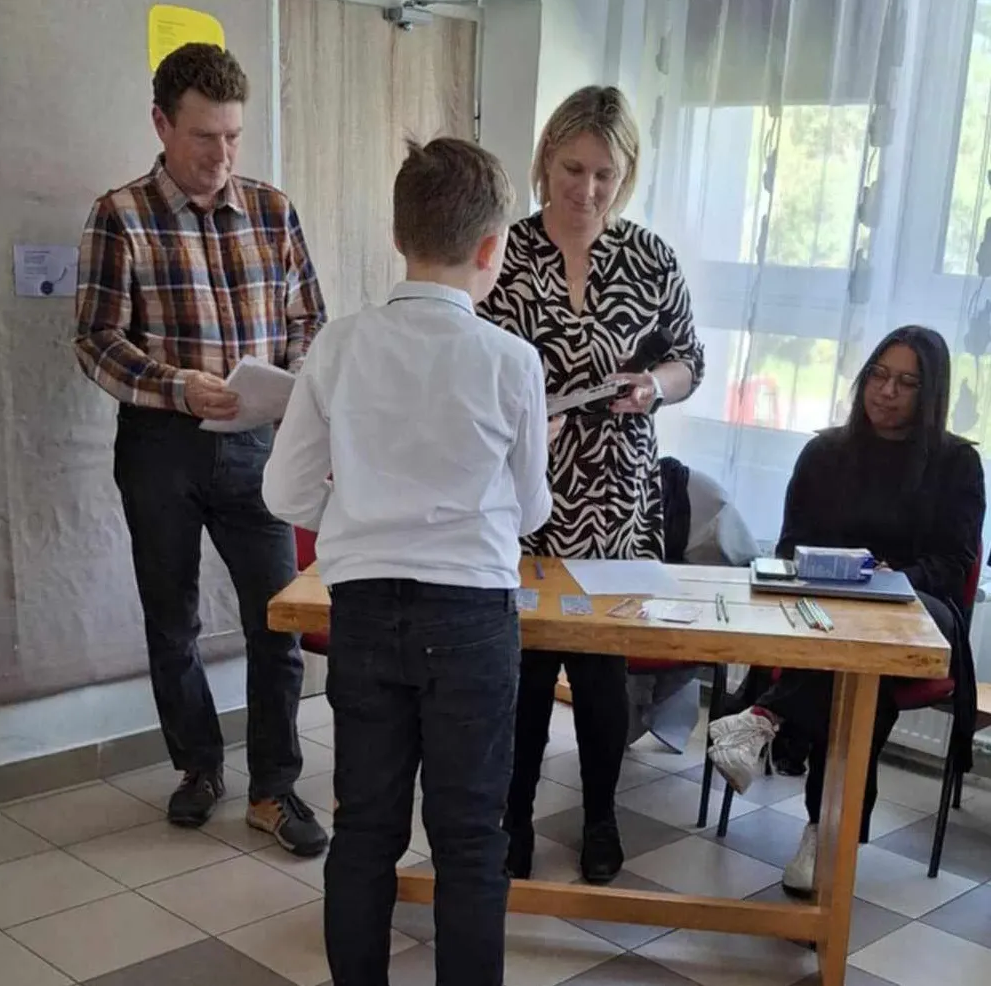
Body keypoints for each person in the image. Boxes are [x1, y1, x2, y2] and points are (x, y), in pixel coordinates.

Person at [264, 138, 552, 986]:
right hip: (472, 617)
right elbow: (531, 510)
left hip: (363, 609)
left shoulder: (338, 346)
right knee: (470, 840)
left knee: (365, 828)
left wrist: (359, 516)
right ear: (492, 247)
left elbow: (284, 491)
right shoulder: (512, 361)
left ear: (397, 236)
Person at [74, 42, 328, 856]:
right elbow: (95, 341)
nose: (222, 156)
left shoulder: (273, 211)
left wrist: (292, 384)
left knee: (278, 620)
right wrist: (177, 386)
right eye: (204, 137)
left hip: (257, 446)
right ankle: (199, 767)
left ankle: (273, 789)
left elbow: (309, 324)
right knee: (173, 621)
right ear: (161, 123)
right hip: (162, 446)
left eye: (234, 137)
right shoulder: (120, 215)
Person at [480, 86, 705, 885]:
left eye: (606, 174)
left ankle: (601, 817)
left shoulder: (649, 256)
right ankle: (513, 820)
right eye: (573, 169)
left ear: (627, 174)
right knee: (525, 672)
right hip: (525, 491)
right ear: (545, 160)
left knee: (602, 674)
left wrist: (654, 388)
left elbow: (689, 360)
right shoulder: (501, 251)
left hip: (617, 496)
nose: (587, 189)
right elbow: (467, 362)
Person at [708, 325, 985, 896]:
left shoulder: (956, 463)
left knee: (865, 652)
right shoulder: (825, 453)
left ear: (930, 392)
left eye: (906, 382)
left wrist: (889, 578)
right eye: (878, 375)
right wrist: (840, 574)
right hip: (829, 608)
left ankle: (763, 719)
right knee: (858, 674)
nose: (887, 391)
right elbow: (791, 545)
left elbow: (955, 566)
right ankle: (826, 832)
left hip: (920, 613)